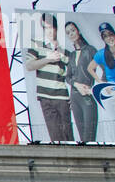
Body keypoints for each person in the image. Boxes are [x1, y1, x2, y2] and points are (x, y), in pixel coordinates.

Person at [24, 13, 72, 141]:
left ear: (56, 29)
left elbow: (74, 73)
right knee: (55, 135)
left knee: (68, 135)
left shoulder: (64, 51)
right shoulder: (36, 45)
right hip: (45, 96)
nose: (49, 31)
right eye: (46, 28)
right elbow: (29, 66)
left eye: (51, 28)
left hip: (62, 96)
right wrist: (47, 59)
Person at [64, 21, 100, 142]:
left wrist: (98, 86)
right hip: (74, 97)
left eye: (73, 30)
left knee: (89, 137)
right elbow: (67, 77)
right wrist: (76, 84)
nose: (71, 34)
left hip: (87, 95)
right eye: (68, 33)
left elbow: (104, 67)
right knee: (82, 138)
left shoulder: (90, 50)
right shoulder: (72, 55)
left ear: (78, 31)